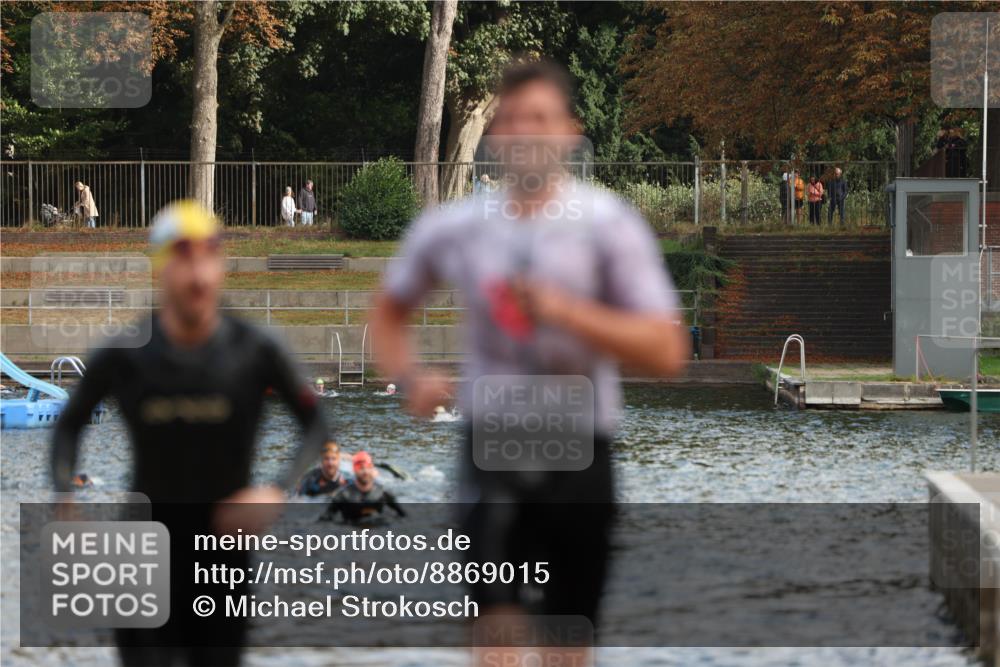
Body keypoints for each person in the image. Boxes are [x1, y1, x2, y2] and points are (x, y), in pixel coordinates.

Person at [370, 59, 689, 645]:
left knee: (569, 639)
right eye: (512, 121)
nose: (526, 134)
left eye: (540, 119)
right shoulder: (458, 226)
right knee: (497, 634)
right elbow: (389, 309)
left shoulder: (607, 224)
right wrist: (409, 375)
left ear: (570, 132)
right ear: (495, 139)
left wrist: (568, 312)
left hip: (580, 449)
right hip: (491, 447)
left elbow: (667, 351)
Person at [51, 200, 329, 667]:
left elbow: (317, 422)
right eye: (184, 259)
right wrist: (65, 498)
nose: (198, 275)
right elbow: (69, 423)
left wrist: (276, 491)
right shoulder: (125, 354)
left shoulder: (255, 349)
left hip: (224, 553)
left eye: (208, 256)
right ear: (161, 268)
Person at [320, 451, 405, 524]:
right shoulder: (343, 495)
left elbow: (404, 517)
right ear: (354, 470)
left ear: (372, 469)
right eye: (361, 468)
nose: (365, 471)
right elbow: (324, 521)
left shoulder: (383, 493)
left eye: (367, 468)